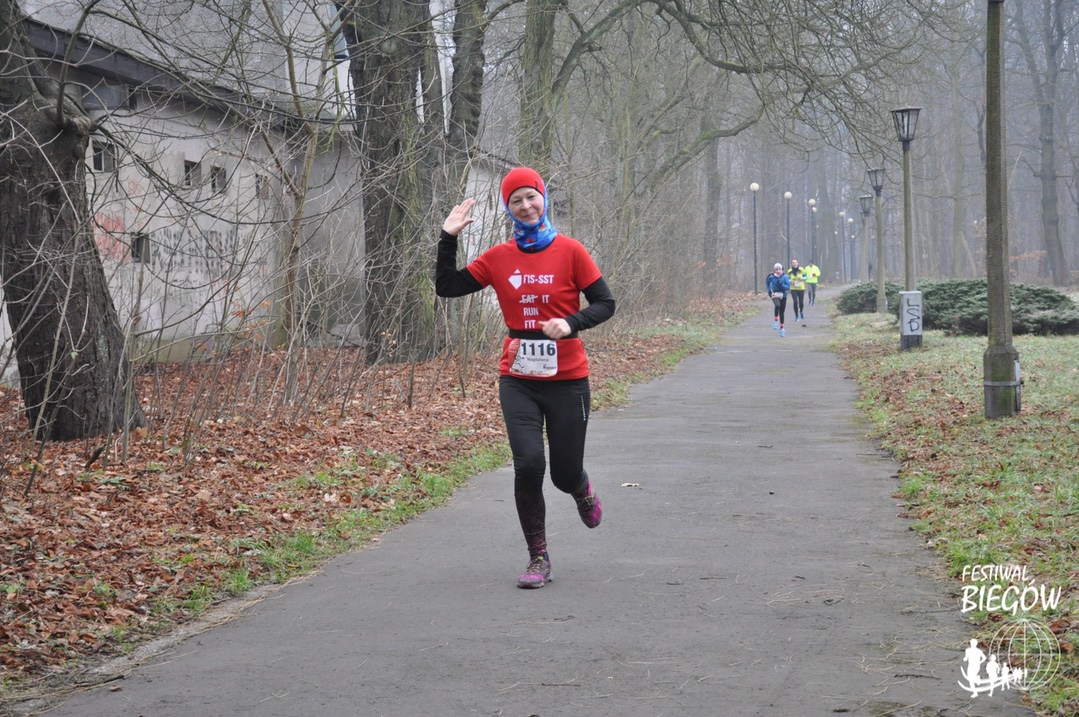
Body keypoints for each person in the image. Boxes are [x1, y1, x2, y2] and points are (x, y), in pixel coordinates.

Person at [435, 167, 616, 589]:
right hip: (518, 379)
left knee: (563, 474)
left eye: (531, 197)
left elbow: (605, 303)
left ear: (543, 199)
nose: (526, 206)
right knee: (529, 463)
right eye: (516, 201)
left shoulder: (571, 251)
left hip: (568, 379)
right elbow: (447, 286)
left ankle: (581, 488)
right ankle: (538, 558)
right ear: (508, 208)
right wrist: (448, 238)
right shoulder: (498, 258)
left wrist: (571, 323)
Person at [766, 263, 790, 337]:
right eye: (776, 269)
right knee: (777, 305)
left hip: (783, 295)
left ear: (782, 270)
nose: (778, 271)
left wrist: (781, 284)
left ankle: (782, 328)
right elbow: (767, 283)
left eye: (779, 269)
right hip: (775, 294)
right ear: (774, 270)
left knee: (782, 312)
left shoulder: (785, 277)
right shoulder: (771, 277)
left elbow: (788, 287)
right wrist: (769, 291)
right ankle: (776, 320)